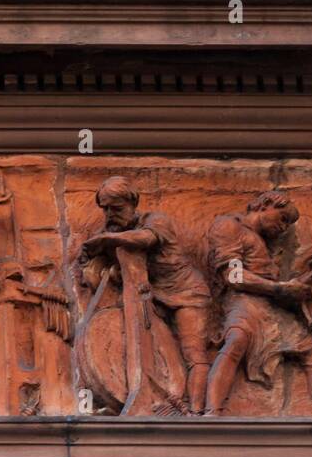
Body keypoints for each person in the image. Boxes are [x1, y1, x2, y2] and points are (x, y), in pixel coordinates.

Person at [79, 176, 214, 413]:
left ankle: (196, 412)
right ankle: (144, 397)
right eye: (106, 209)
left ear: (132, 203)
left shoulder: (155, 220)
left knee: (193, 354)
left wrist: (105, 240)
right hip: (151, 297)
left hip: (186, 292)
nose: (110, 214)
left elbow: (144, 239)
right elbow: (90, 266)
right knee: (147, 341)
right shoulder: (113, 231)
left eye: (117, 208)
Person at [204, 191, 312, 415]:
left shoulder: (262, 242)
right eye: (283, 218)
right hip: (243, 301)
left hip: (271, 306)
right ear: (265, 205)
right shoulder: (228, 226)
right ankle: (212, 412)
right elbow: (233, 276)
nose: (284, 227)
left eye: (288, 223)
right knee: (237, 340)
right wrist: (279, 288)